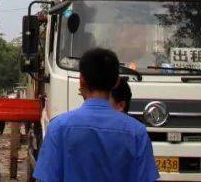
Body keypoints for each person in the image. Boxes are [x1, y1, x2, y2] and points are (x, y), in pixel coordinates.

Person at [33, 48, 157, 182]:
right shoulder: (137, 132)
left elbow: (48, 178)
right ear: (116, 81)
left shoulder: (58, 127)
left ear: (81, 80)